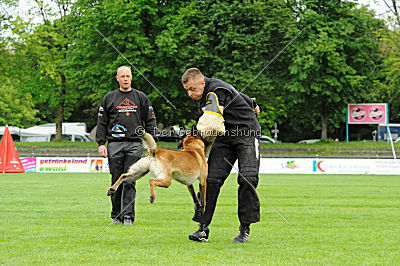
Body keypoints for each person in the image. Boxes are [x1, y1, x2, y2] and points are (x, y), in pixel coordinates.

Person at [181, 68, 261, 243]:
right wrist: (252, 103)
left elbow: (212, 117)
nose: (189, 94)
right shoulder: (209, 92)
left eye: (192, 89)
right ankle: (202, 228)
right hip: (225, 137)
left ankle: (244, 228)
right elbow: (236, 93)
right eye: (187, 90)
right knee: (211, 180)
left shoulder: (215, 91)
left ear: (202, 83)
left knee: (248, 178)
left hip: (247, 133)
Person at [96, 66, 157, 226]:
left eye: (128, 76)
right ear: (117, 78)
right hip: (114, 144)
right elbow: (102, 123)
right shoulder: (109, 98)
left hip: (134, 144)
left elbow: (150, 121)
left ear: (131, 78)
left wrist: (151, 143)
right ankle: (116, 215)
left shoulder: (140, 97)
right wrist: (101, 143)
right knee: (116, 179)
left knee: (130, 180)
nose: (125, 79)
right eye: (122, 76)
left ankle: (128, 216)